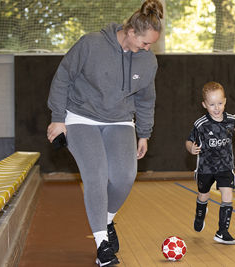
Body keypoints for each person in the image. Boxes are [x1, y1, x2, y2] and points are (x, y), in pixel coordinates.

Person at [46, 0, 163, 266]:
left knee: (124, 177)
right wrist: (58, 119)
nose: (148, 48)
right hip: (80, 118)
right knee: (96, 176)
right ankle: (102, 245)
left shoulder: (147, 61)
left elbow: (146, 99)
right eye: (145, 42)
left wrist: (144, 133)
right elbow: (63, 77)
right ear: (131, 32)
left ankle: (106, 220)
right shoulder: (91, 44)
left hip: (120, 120)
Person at [185, 81, 235, 245]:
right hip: (205, 168)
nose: (217, 108)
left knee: (228, 196)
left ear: (225, 101)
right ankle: (200, 212)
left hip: (225, 166)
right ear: (204, 105)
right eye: (212, 104)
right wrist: (190, 149)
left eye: (220, 103)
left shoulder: (230, 119)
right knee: (203, 195)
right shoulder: (200, 124)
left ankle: (222, 231)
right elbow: (189, 140)